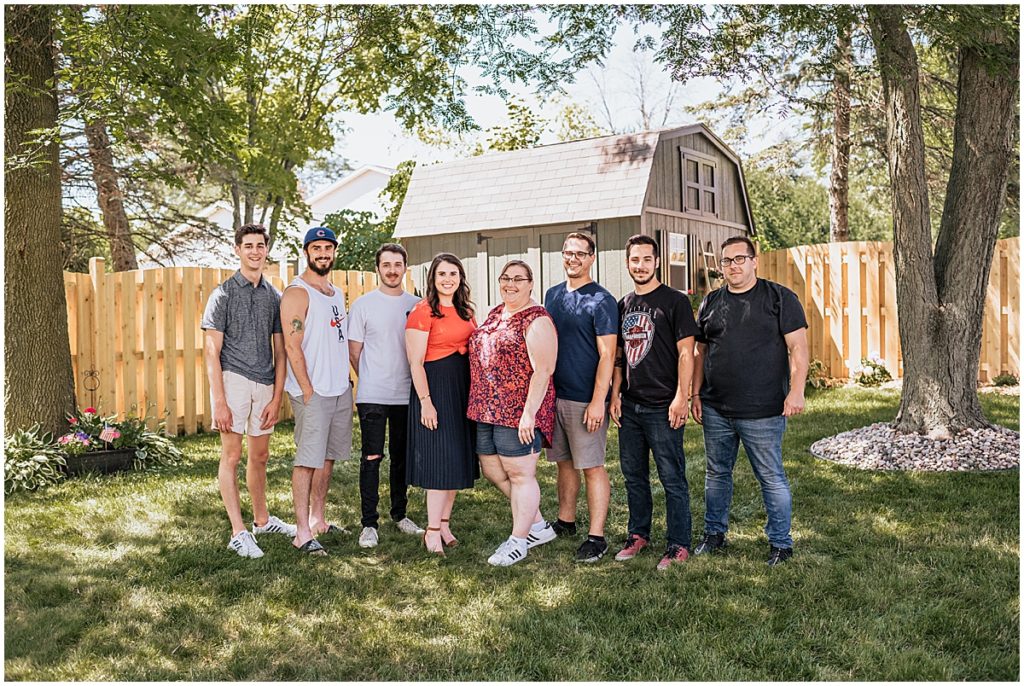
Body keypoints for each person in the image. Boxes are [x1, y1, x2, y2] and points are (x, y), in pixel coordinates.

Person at [690, 236, 808, 566]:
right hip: (716, 408)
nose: (733, 266)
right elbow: (701, 352)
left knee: (771, 477)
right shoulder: (711, 302)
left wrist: (796, 391)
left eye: (740, 259)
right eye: (727, 261)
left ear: (754, 261)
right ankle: (714, 535)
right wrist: (696, 393)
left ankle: (781, 544)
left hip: (763, 410)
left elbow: (798, 348)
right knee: (716, 475)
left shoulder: (779, 298)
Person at [201, 223, 296, 559]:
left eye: (260, 246)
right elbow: (211, 350)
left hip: (265, 383)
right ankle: (238, 532)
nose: (255, 251)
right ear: (237, 250)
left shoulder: (274, 296)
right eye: (249, 245)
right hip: (234, 381)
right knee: (232, 456)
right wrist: (219, 401)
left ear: (266, 251)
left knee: (260, 456)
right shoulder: (223, 294)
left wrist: (276, 395)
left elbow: (281, 351)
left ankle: (261, 520)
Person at [609, 234, 697, 571]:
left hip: (664, 406)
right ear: (628, 262)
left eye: (647, 259)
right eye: (635, 260)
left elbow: (687, 353)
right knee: (634, 475)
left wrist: (681, 397)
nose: (640, 265)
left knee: (672, 477)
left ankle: (678, 543)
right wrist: (616, 394)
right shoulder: (625, 304)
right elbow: (620, 356)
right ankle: (638, 534)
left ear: (657, 262)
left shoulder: (674, 302)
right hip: (630, 406)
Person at [469, 260, 558, 567]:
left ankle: (519, 541)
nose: (511, 284)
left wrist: (529, 414)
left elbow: (544, 370)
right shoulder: (497, 312)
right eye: (506, 278)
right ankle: (538, 525)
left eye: (518, 279)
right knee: (494, 472)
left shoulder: (537, 319)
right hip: (487, 407)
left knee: (521, 475)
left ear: (531, 283)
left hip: (518, 410)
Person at [543, 233, 618, 563]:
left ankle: (597, 536)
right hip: (555, 396)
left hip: (584, 399)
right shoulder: (553, 295)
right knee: (564, 462)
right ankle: (566, 521)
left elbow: (607, 354)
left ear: (591, 258)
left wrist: (598, 400)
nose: (572, 258)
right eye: (567, 253)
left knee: (592, 466)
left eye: (579, 254)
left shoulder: (602, 300)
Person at [280, 226, 354, 556]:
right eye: (316, 248)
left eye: (328, 248)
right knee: (308, 460)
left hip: (339, 389)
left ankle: (318, 519)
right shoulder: (297, 293)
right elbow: (292, 346)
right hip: (313, 392)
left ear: (334, 251)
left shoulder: (335, 292)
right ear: (307, 252)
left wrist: (347, 380)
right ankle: (301, 532)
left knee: (327, 458)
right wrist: (307, 390)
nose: (322, 253)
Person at [348, 243, 425, 548]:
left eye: (397, 264)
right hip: (373, 394)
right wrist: (372, 376)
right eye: (386, 265)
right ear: (377, 268)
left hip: (407, 394)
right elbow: (355, 353)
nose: (392, 270)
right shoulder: (364, 305)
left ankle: (400, 514)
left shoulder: (418, 304)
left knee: (401, 459)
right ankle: (368, 524)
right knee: (371, 457)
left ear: (405, 267)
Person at [405, 253, 479, 556]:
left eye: (453, 274)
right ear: (432, 280)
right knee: (439, 462)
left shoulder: (465, 311)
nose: (448, 279)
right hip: (435, 388)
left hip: (462, 388)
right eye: (441, 275)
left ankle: (445, 524)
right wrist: (426, 402)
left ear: (460, 277)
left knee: (455, 459)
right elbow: (415, 362)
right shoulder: (422, 312)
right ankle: (431, 531)